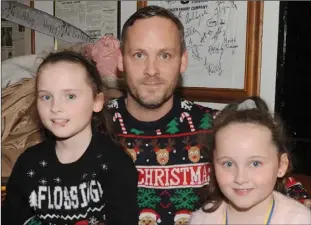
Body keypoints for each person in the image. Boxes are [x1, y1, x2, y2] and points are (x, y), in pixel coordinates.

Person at [106, 5, 311, 225]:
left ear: (183, 61)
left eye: (165, 55)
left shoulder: (219, 129)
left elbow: (284, 187)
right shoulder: (92, 127)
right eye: (139, 55)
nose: (152, 70)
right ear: (120, 60)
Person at [2, 51, 138, 225]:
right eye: (46, 97)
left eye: (70, 96)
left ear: (97, 102)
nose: (55, 107)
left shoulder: (116, 165)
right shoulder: (28, 164)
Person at [189, 97, 311, 224]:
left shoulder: (300, 220)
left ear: (281, 165)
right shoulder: (202, 220)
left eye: (255, 163)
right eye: (228, 163)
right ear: (213, 166)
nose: (240, 179)